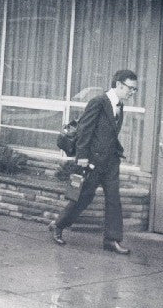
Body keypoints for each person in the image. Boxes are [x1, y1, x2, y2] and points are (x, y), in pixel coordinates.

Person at [49, 69, 138, 254]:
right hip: (93, 161)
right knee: (83, 197)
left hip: (111, 162)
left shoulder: (120, 105)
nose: (132, 92)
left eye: (134, 89)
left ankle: (112, 240)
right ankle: (58, 225)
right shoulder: (98, 102)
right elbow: (84, 132)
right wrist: (82, 160)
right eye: (130, 88)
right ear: (119, 85)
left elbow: (109, 134)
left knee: (114, 199)